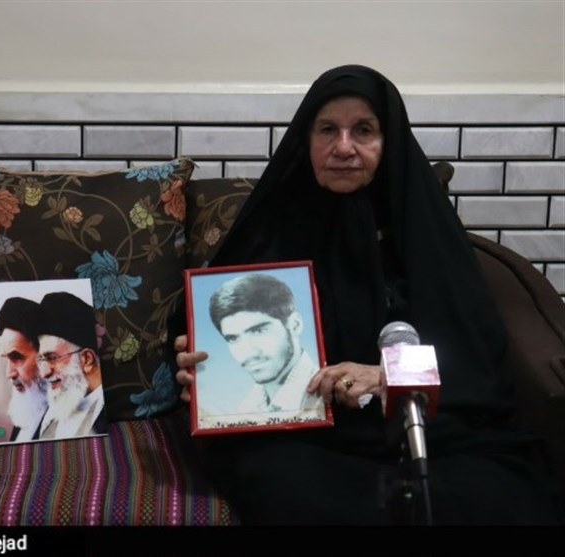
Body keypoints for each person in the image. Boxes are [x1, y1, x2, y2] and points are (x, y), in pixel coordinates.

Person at [172, 65, 561, 525]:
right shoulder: (271, 226)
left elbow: (474, 357)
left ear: (387, 142)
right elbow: (195, 330)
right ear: (306, 140)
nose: (343, 147)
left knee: (495, 495)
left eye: (363, 130)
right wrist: (195, 363)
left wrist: (386, 377)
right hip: (303, 440)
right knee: (289, 488)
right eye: (327, 130)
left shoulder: (423, 231)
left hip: (426, 432)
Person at [206, 273, 324, 415]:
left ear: (295, 325)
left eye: (258, 331)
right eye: (233, 338)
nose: (247, 352)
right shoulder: (246, 408)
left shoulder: (329, 396)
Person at [33, 292, 107, 439]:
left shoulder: (106, 415)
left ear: (86, 359)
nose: (44, 373)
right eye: (41, 359)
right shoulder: (51, 411)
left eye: (52, 358)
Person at [0, 297, 48, 442]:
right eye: (6, 359)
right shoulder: (27, 411)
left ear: (44, 355)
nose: (9, 373)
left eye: (16, 358)